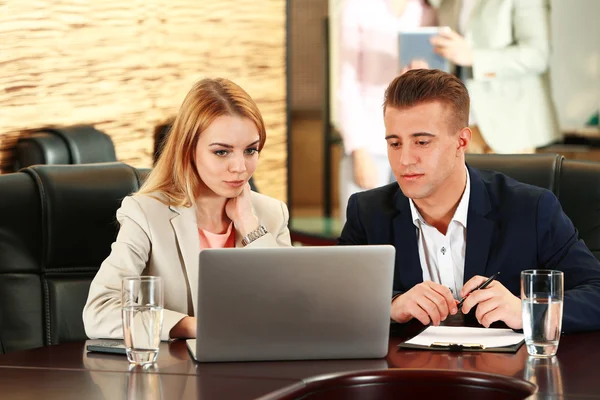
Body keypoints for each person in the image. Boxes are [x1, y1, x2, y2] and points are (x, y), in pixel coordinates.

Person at [338, 69, 600, 333]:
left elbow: (596, 293)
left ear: (461, 141)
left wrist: (528, 311)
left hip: (509, 371)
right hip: (407, 371)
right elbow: (335, 298)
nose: (404, 159)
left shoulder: (532, 209)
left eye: (421, 142)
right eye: (395, 144)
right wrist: (390, 305)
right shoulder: (367, 213)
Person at [83, 78, 292, 341]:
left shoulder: (271, 214)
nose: (240, 167)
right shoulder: (146, 213)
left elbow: (293, 308)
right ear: (188, 150)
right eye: (222, 152)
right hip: (181, 375)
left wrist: (248, 223)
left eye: (250, 150)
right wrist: (191, 327)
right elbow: (100, 313)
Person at [336, 0, 437, 222]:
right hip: (370, 142)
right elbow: (347, 83)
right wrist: (359, 150)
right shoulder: (357, 8)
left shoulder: (428, 11)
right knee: (362, 233)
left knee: (410, 234)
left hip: (416, 145)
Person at [428, 0, 560, 154]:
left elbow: (537, 55)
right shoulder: (446, 3)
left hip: (510, 128)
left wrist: (474, 57)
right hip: (460, 127)